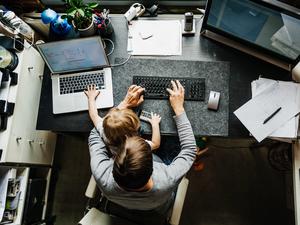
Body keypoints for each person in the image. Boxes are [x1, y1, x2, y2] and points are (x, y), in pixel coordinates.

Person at [88, 80, 197, 217]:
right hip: (159, 206)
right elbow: (190, 150)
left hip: (121, 202)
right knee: (172, 144)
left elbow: (96, 133)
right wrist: (179, 109)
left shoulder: (101, 173)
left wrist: (123, 106)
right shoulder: (167, 179)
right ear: (153, 166)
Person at [84, 84, 161, 156]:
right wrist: (155, 124)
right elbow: (155, 144)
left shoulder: (103, 130)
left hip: (116, 154)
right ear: (133, 131)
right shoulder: (136, 146)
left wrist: (91, 98)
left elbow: (94, 115)